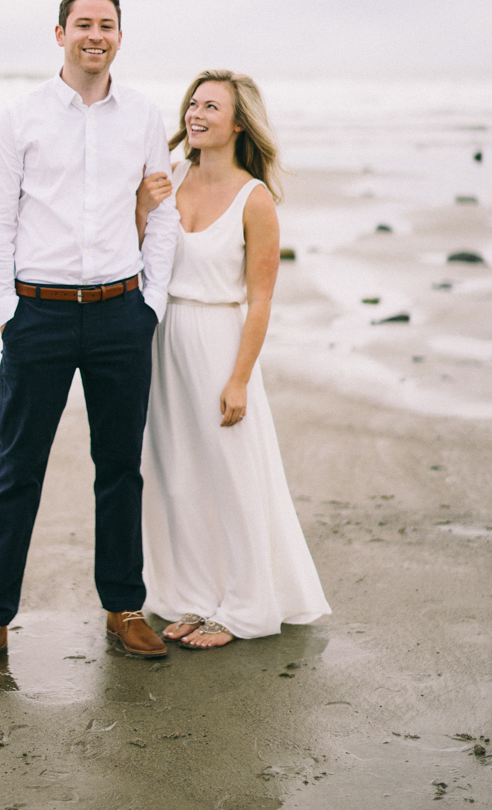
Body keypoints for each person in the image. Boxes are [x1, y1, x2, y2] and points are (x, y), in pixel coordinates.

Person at [0, 0, 180, 674]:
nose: (95, 35)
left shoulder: (142, 114)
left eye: (107, 25)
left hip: (119, 313)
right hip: (39, 315)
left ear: (119, 36)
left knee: (119, 470)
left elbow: (162, 211)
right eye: (83, 24)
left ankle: (124, 608)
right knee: (17, 471)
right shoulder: (20, 117)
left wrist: (151, 303)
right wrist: (6, 311)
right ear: (59, 34)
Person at [136, 70, 330, 648]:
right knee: (175, 475)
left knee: (232, 475)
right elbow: (140, 255)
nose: (196, 114)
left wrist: (240, 378)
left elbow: (261, 298)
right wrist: (144, 209)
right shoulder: (168, 179)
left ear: (238, 122)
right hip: (161, 336)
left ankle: (245, 606)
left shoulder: (256, 198)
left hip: (219, 340)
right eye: (193, 103)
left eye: (211, 106)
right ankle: (194, 596)